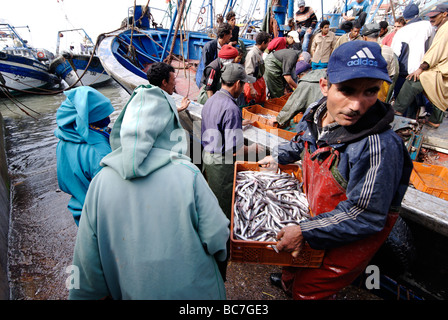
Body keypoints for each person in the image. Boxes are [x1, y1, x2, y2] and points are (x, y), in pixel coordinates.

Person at [259, 41, 413, 300]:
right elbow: (300, 143)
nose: (356, 105)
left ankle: (300, 290)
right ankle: (289, 283)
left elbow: (365, 215)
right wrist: (276, 156)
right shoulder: (315, 113)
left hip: (350, 235)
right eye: (347, 90)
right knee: (292, 260)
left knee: (311, 288)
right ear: (324, 87)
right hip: (314, 210)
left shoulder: (379, 146)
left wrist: (305, 230)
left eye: (370, 92)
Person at [69, 84, 230, 300]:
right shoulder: (188, 175)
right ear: (170, 126)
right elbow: (218, 237)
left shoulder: (100, 182)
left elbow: (87, 261)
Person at [54, 86, 114, 226]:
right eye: (103, 115)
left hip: (79, 209)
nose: (108, 119)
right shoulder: (100, 152)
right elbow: (112, 195)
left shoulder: (63, 141)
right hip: (102, 218)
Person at [393, 4, 448, 128]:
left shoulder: (445, 29)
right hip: (441, 67)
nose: (431, 19)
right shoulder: (432, 27)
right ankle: (435, 119)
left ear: (444, 14)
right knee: (434, 90)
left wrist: (421, 68)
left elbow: (436, 50)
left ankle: (397, 109)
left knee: (414, 81)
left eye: (435, 16)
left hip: (441, 69)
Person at [391, 3, 435, 113]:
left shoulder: (402, 31)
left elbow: (395, 53)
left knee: (402, 106)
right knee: (419, 102)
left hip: (405, 73)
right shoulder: (429, 26)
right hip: (423, 71)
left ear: (405, 18)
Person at [362, 23, 398, 103]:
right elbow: (392, 74)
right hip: (381, 92)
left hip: (363, 92)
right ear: (378, 35)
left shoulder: (361, 51)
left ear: (364, 38)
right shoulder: (389, 50)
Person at [195, 23, 233, 88]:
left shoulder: (225, 46)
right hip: (204, 79)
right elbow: (206, 68)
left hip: (215, 78)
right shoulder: (209, 47)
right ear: (224, 35)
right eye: (230, 34)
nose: (231, 36)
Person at [243, 31, 271, 104]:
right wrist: (252, 89)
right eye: (267, 43)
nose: (268, 45)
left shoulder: (259, 53)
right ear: (263, 43)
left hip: (259, 82)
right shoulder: (252, 54)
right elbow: (248, 73)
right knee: (252, 106)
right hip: (253, 84)